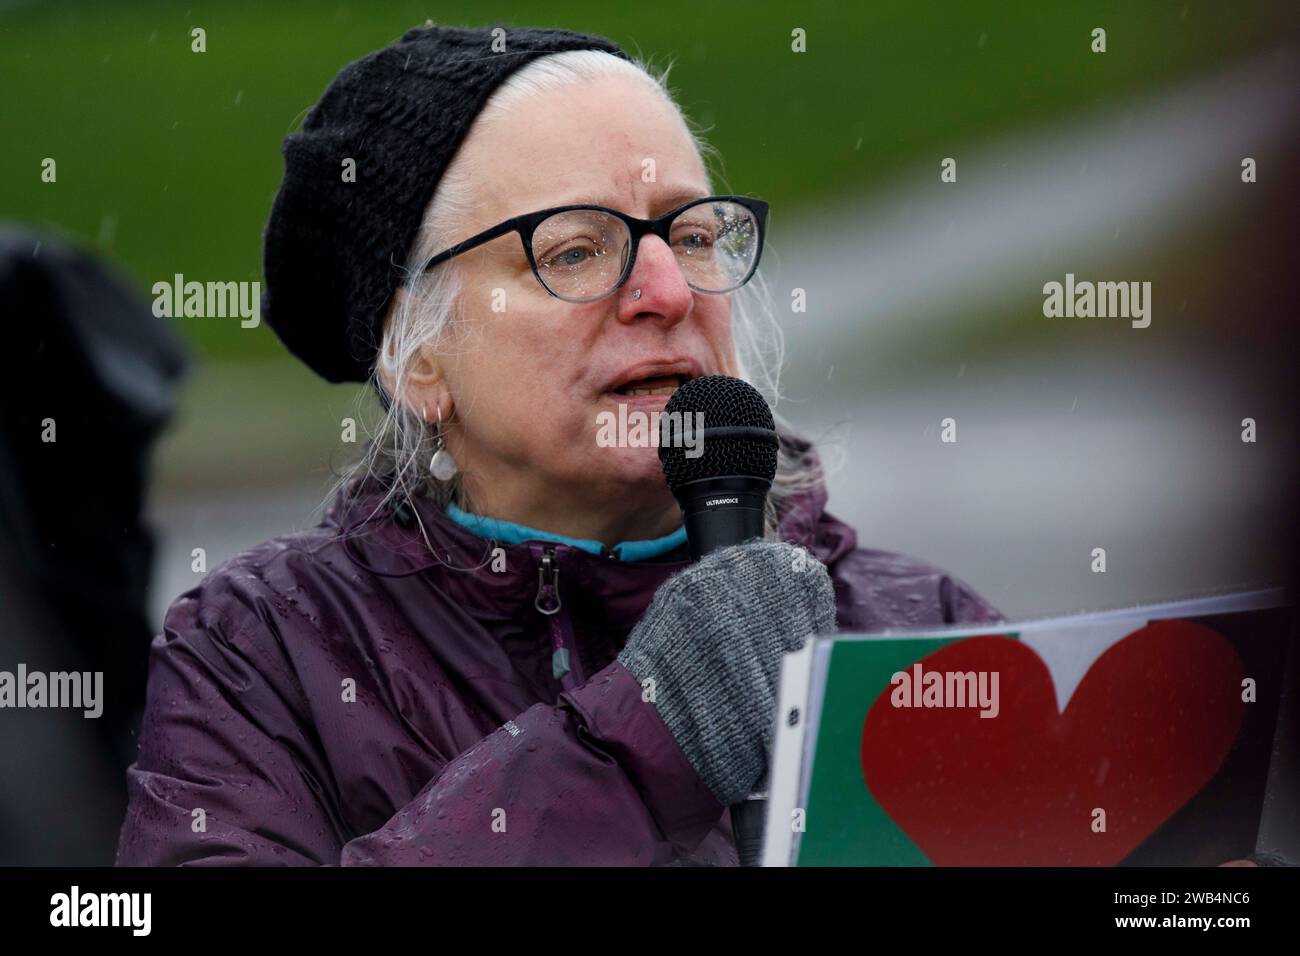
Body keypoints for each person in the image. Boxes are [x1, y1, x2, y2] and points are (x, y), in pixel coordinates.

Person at [114, 24, 999, 867]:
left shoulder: (922, 628)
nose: (667, 291)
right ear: (418, 355)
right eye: (575, 250)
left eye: (691, 236)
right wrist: (639, 743)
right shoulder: (266, 654)